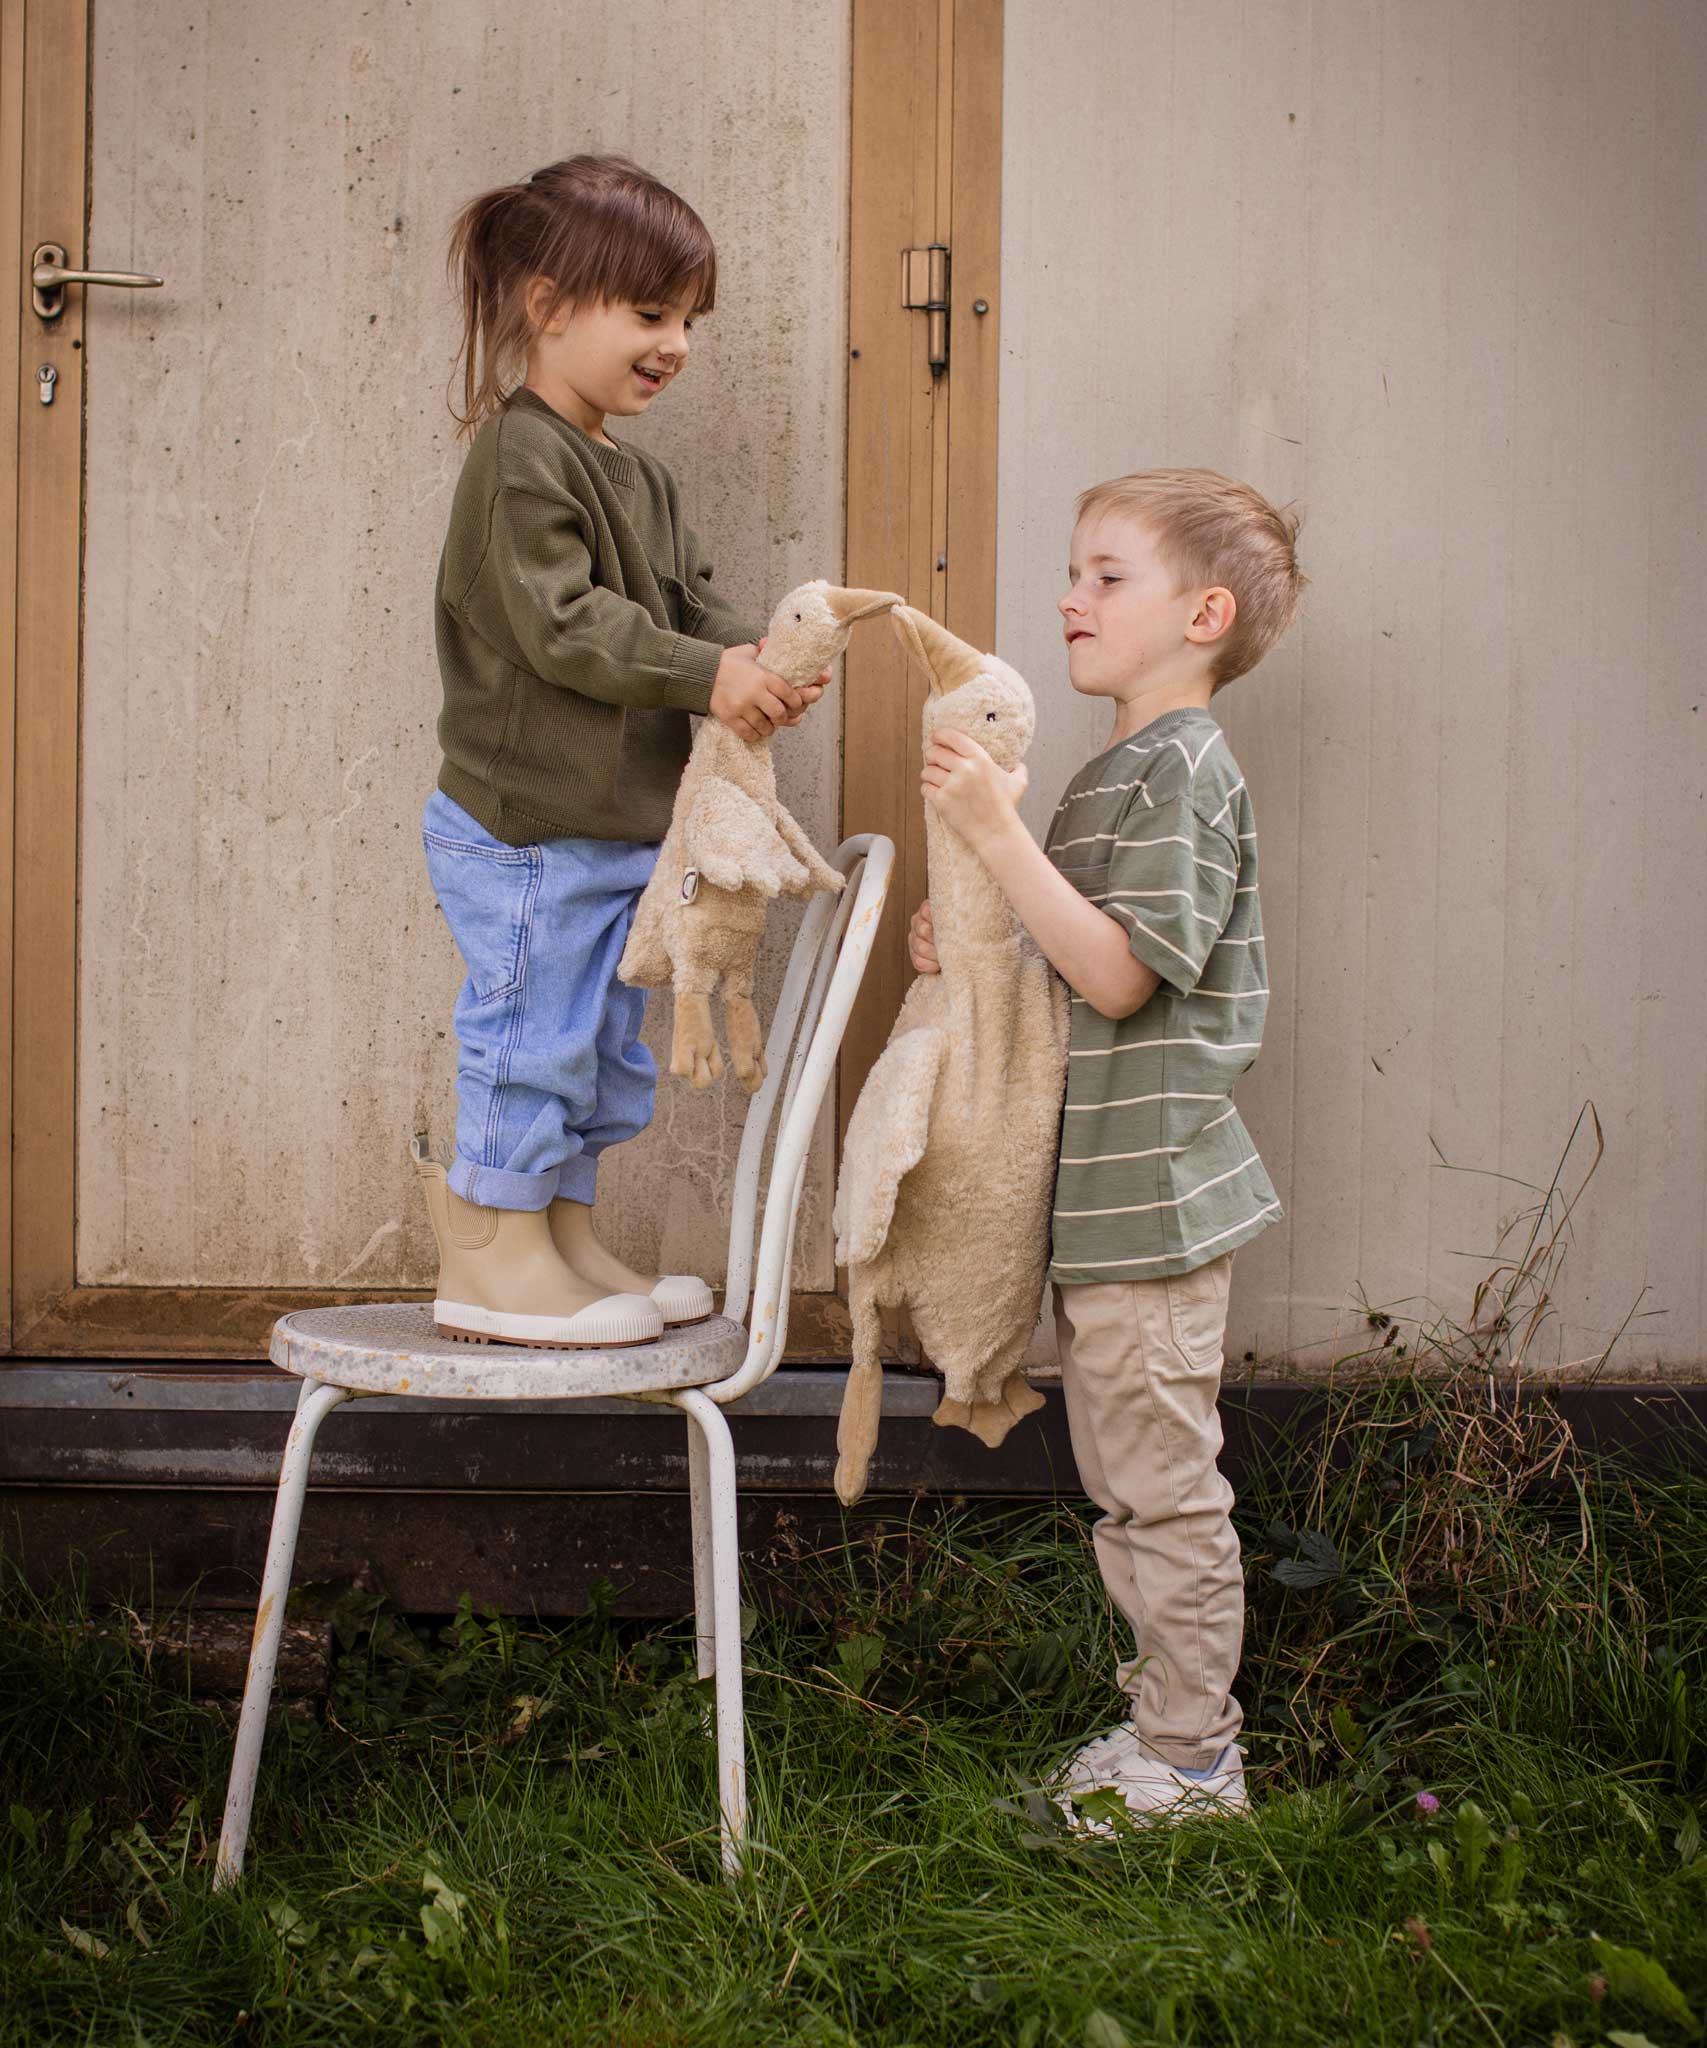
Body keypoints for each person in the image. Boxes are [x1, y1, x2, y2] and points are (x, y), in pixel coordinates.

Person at [907, 469, 1306, 1822]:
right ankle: (1163, 1734)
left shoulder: (1184, 771)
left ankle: (1193, 1760)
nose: (1068, 598)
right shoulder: (1115, 771)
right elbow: (1066, 965)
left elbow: (1126, 977)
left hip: (1152, 1203)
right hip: (1106, 1210)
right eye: (1071, 572)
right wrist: (972, 941)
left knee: (1159, 1494)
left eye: (1104, 576)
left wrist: (990, 830)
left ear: (1202, 615)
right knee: (1126, 1490)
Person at [416, 154, 829, 1348]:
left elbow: (683, 604)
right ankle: (489, 1253)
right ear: (548, 308)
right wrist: (713, 677)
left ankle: (561, 1236)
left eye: (688, 319)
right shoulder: (519, 459)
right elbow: (565, 624)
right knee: (529, 1028)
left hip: (603, 829)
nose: (678, 343)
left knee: (596, 1045)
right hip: (526, 829)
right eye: (651, 314)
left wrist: (759, 654)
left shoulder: (637, 474)